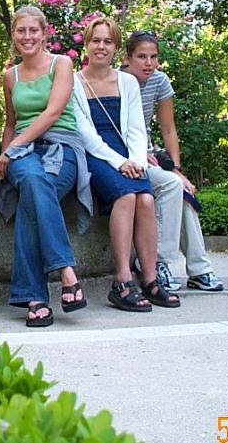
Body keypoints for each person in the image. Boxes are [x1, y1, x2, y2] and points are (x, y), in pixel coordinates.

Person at [0, 5, 93, 328]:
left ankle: (33, 295)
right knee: (34, 181)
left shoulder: (62, 64)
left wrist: (12, 149)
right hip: (22, 153)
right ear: (13, 35)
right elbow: (10, 124)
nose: (27, 36)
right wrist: (7, 154)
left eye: (33, 30)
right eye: (21, 31)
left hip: (62, 146)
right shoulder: (10, 76)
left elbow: (52, 113)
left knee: (32, 196)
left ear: (44, 32)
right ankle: (66, 271)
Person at [72, 17, 179, 310]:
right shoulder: (74, 82)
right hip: (96, 156)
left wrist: (136, 161)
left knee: (146, 199)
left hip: (128, 153)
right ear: (87, 44)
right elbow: (86, 135)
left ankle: (150, 278)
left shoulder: (127, 82)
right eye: (96, 40)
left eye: (108, 41)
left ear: (117, 48)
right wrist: (120, 163)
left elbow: (136, 129)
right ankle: (121, 281)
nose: (101, 46)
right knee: (127, 195)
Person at [121, 30, 224, 291]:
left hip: (150, 156)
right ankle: (157, 262)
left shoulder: (159, 81)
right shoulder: (116, 80)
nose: (149, 63)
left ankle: (199, 269)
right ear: (127, 58)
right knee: (172, 186)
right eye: (142, 56)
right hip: (124, 157)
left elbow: (168, 130)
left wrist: (176, 169)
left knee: (184, 192)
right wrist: (138, 153)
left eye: (153, 57)